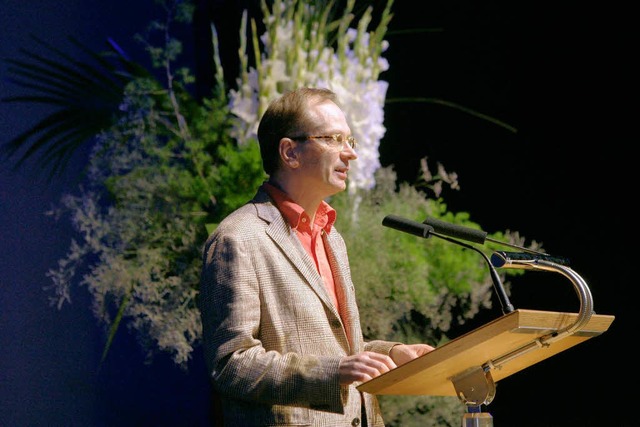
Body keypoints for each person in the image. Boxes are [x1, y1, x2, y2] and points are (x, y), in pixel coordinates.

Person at [199, 87, 435, 426]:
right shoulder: (238, 239)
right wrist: (333, 372)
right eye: (334, 139)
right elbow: (231, 364)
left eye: (350, 141)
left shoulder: (331, 236)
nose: (349, 154)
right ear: (289, 152)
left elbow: (333, 347)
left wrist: (391, 354)